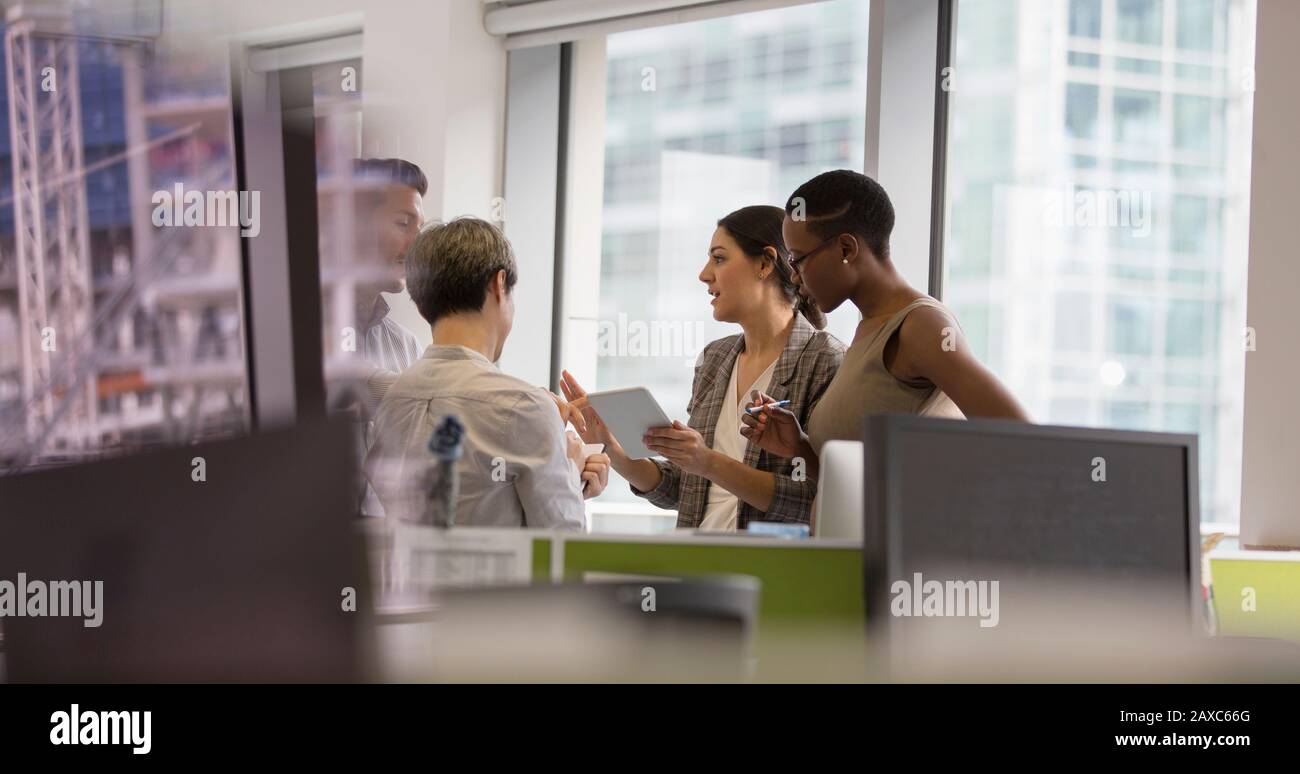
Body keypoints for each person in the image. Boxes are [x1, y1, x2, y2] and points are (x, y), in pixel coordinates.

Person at [561, 205, 844, 531]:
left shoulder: (825, 360)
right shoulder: (715, 358)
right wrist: (615, 450)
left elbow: (820, 500)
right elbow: (688, 488)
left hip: (771, 572)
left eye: (719, 258)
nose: (704, 274)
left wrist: (708, 462)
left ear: (765, 264)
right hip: (699, 561)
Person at [741, 170, 1029, 482]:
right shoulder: (868, 330)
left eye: (798, 260)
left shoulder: (921, 326)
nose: (795, 277)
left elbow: (1023, 438)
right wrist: (798, 446)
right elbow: (854, 483)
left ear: (846, 250)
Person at [365, 217, 608, 529]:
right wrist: (570, 474)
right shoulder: (525, 406)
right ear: (499, 283)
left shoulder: (391, 401)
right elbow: (564, 551)